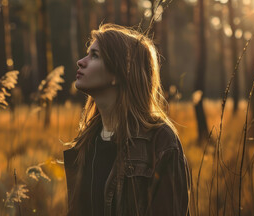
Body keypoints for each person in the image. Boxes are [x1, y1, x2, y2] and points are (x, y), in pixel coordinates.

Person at [63, 23, 191, 216]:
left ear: (118, 73)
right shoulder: (86, 143)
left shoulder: (161, 142)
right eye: (87, 54)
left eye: (95, 55)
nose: (81, 61)